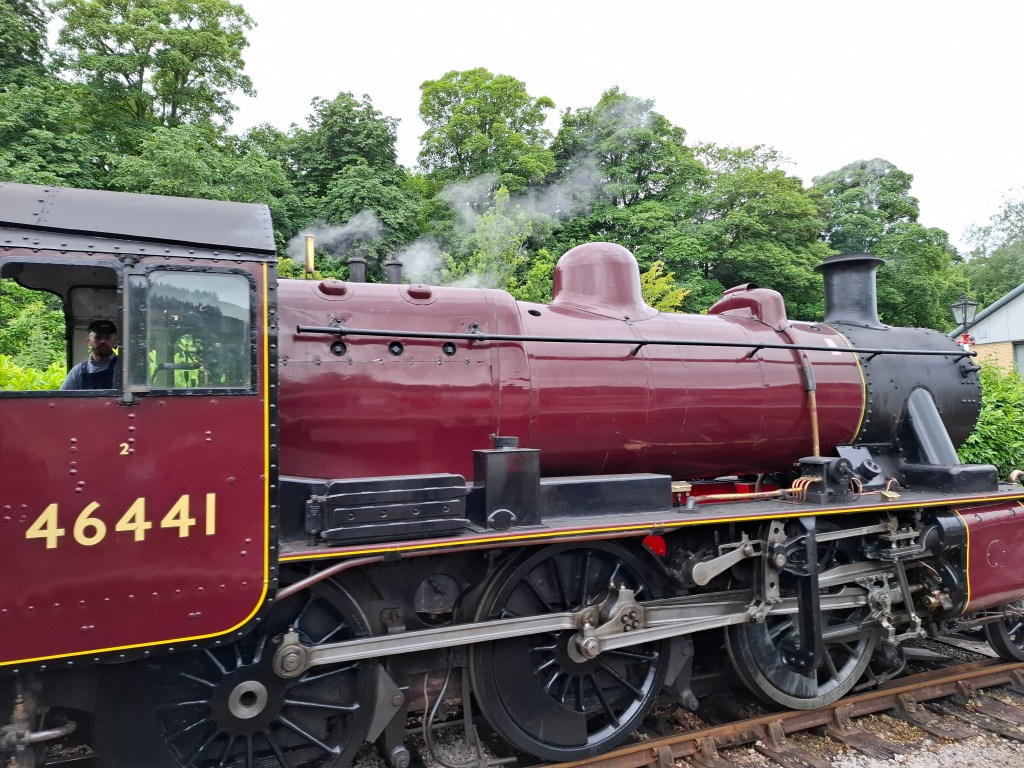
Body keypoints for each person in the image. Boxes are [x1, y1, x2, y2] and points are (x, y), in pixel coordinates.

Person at [61, 319, 120, 390]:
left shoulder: (124, 368)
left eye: (107, 338)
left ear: (114, 342)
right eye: (98, 337)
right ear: (89, 342)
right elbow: (64, 398)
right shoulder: (78, 371)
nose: (103, 341)